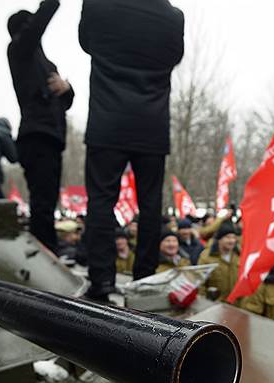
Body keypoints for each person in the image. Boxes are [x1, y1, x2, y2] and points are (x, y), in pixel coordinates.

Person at [79, 0, 185, 301]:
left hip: (107, 120)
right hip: (151, 123)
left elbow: (86, 42)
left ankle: (101, 280)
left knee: (101, 200)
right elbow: (174, 57)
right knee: (151, 204)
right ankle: (145, 277)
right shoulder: (173, 17)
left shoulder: (99, 6)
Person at [8, 0, 75, 253]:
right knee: (42, 202)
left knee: (48, 199)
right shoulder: (19, 51)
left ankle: (48, 248)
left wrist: (67, 88)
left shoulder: (47, 64)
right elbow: (36, 26)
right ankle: (46, 250)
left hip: (52, 136)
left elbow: (64, 101)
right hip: (36, 135)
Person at [199, 221, 240, 301]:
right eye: (228, 237)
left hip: (236, 305)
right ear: (219, 240)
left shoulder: (239, 255)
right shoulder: (206, 257)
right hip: (216, 306)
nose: (231, 241)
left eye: (233, 237)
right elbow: (200, 283)